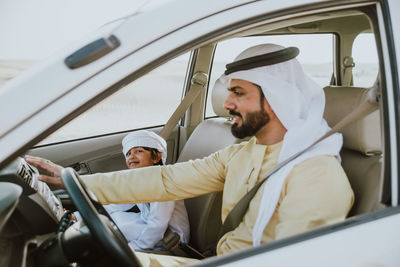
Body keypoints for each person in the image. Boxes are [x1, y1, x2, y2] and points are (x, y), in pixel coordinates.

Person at [26, 43, 354, 266]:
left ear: (277, 98)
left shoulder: (317, 176)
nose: (226, 104)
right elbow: (167, 180)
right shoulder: (243, 153)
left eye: (238, 94)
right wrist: (80, 183)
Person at [73, 130, 190, 251]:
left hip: (171, 237)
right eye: (128, 154)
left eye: (139, 151)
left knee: (114, 229)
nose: (132, 157)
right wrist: (77, 216)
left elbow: (158, 223)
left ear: (156, 157)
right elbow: (116, 205)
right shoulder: (139, 179)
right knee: (113, 218)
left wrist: (136, 248)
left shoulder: (164, 181)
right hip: (147, 222)